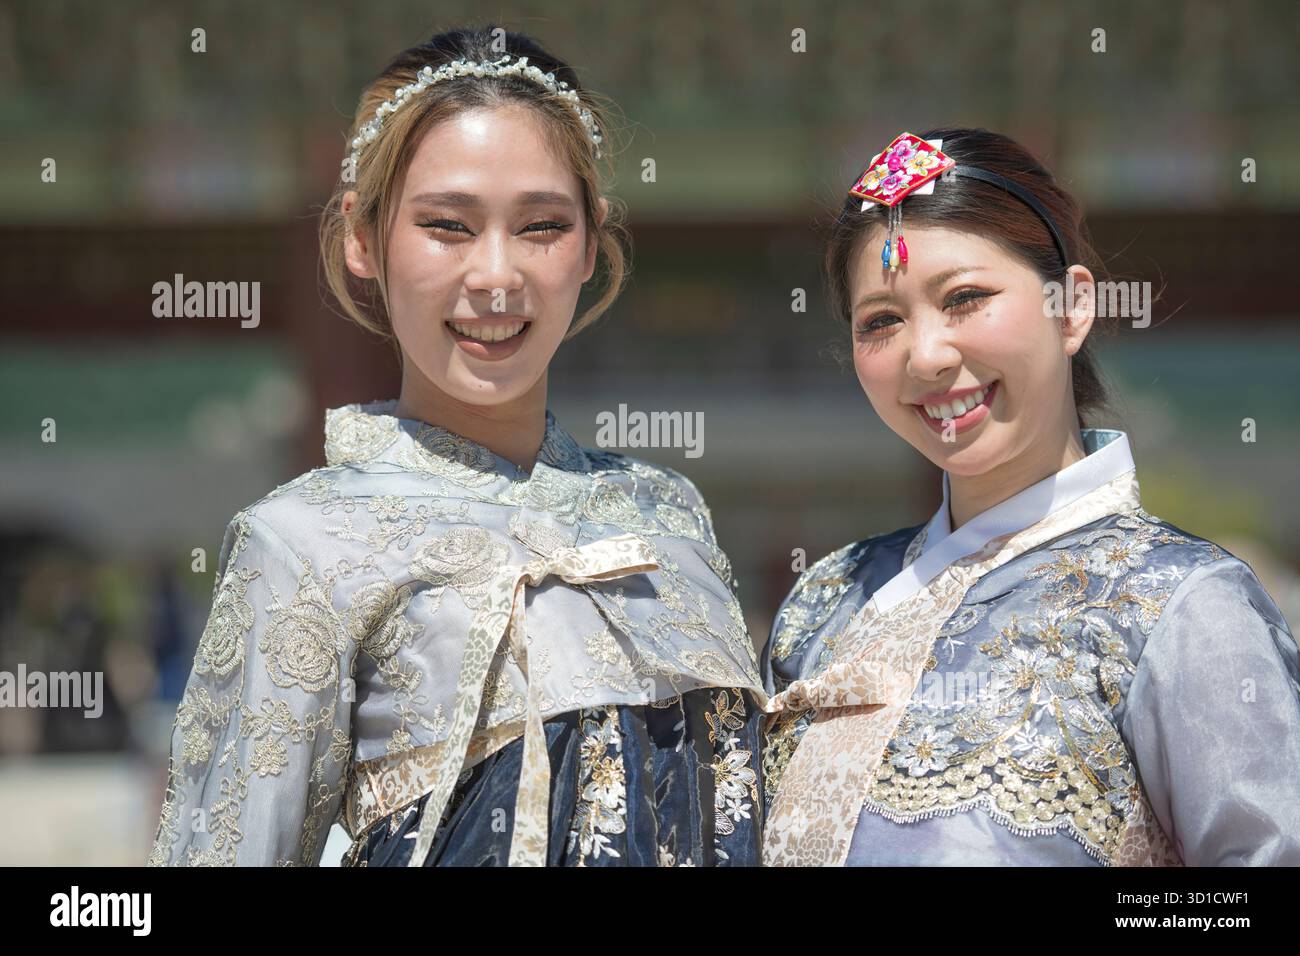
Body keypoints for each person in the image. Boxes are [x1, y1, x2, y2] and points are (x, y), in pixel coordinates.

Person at [148, 26, 765, 867]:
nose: (497, 276)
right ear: (364, 240)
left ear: (591, 246)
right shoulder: (301, 545)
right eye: (448, 225)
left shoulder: (666, 514)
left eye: (542, 225)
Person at [759, 127, 1300, 866]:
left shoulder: (1184, 607)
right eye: (882, 320)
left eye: (966, 298)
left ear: (1072, 306)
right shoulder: (825, 604)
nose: (927, 355)